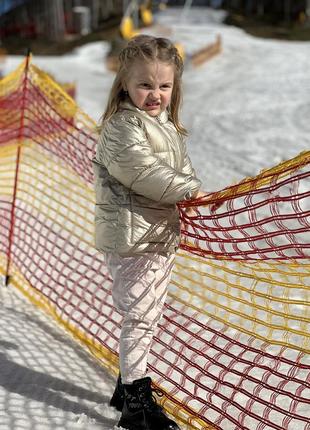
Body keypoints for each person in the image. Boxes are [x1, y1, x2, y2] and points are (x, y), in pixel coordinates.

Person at [92, 34, 202, 430]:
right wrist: (189, 190)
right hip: (133, 237)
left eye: (164, 85)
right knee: (139, 317)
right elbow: (144, 172)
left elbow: (182, 169)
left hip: (157, 234)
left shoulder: (166, 126)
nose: (155, 94)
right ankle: (135, 404)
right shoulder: (122, 126)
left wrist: (190, 189)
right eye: (145, 84)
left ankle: (127, 381)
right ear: (125, 83)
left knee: (148, 315)